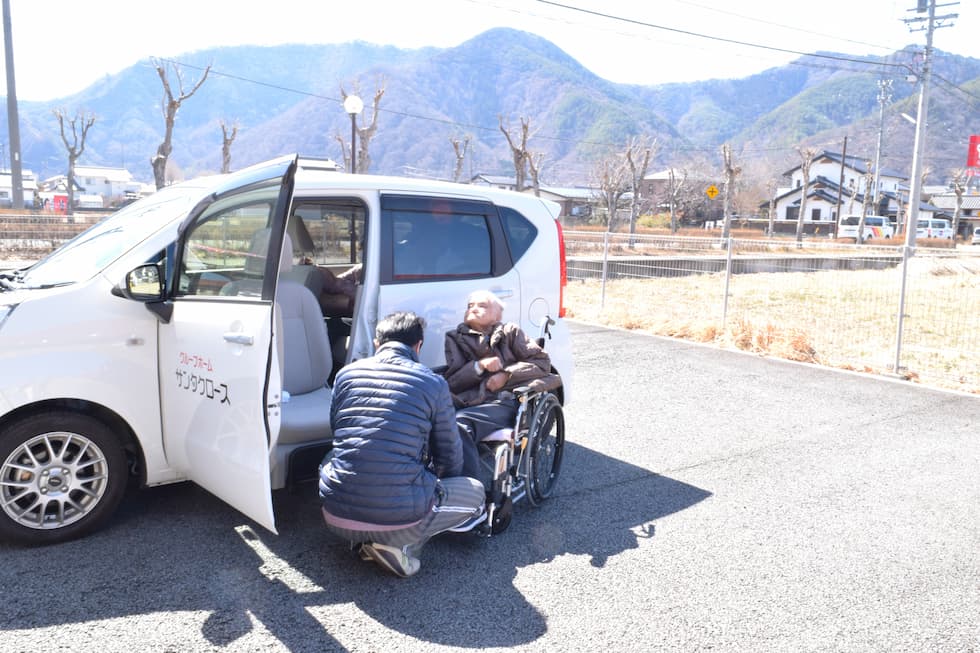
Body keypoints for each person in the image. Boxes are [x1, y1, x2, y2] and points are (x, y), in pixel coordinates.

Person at [318, 311, 485, 578]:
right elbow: (449, 455)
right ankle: (399, 545)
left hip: (335, 515)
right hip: (399, 518)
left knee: (333, 457)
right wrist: (441, 485)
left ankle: (363, 538)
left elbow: (338, 431)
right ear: (418, 346)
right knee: (475, 493)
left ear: (377, 343)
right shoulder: (433, 382)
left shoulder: (345, 374)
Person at [442, 290, 561, 479]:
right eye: (470, 305)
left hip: (505, 401)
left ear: (498, 315)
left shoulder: (510, 332)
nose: (474, 309)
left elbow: (542, 363)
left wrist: (506, 375)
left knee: (460, 423)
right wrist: (478, 366)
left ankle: (467, 487)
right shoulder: (454, 338)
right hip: (467, 400)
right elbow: (453, 383)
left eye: (482, 305)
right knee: (431, 416)